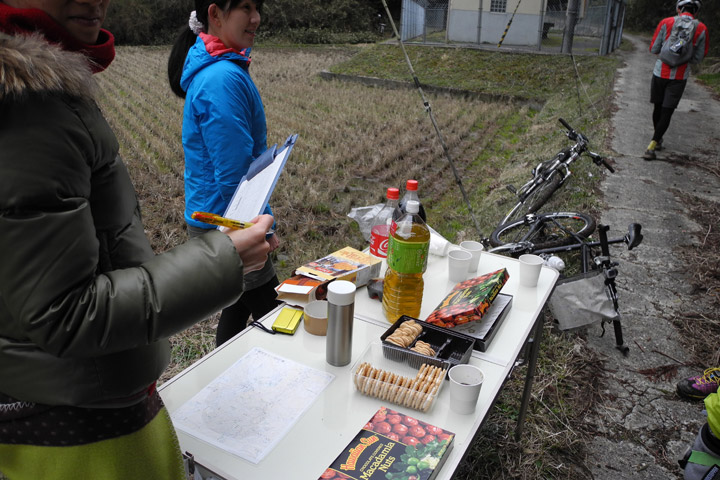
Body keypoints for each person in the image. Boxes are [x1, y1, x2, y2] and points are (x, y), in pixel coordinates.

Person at [0, 1, 273, 478]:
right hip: (82, 428)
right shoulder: (30, 106)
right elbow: (65, 312)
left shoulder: (47, 90)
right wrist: (229, 253)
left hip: (71, 400)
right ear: (214, 14)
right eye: (245, 7)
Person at [168, 0, 281, 347]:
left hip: (218, 220)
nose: (256, 18)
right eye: (245, 7)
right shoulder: (221, 78)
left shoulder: (222, 68)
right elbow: (235, 178)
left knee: (236, 306)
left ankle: (219, 380)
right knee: (274, 314)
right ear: (215, 15)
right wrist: (264, 229)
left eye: (258, 7)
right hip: (228, 225)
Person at [643, 0, 709, 160]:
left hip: (660, 72)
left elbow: (653, 48)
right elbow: (698, 57)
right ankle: (653, 143)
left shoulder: (666, 22)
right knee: (667, 111)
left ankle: (657, 140)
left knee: (657, 108)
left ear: (679, 8)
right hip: (679, 77)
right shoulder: (702, 29)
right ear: (696, 12)